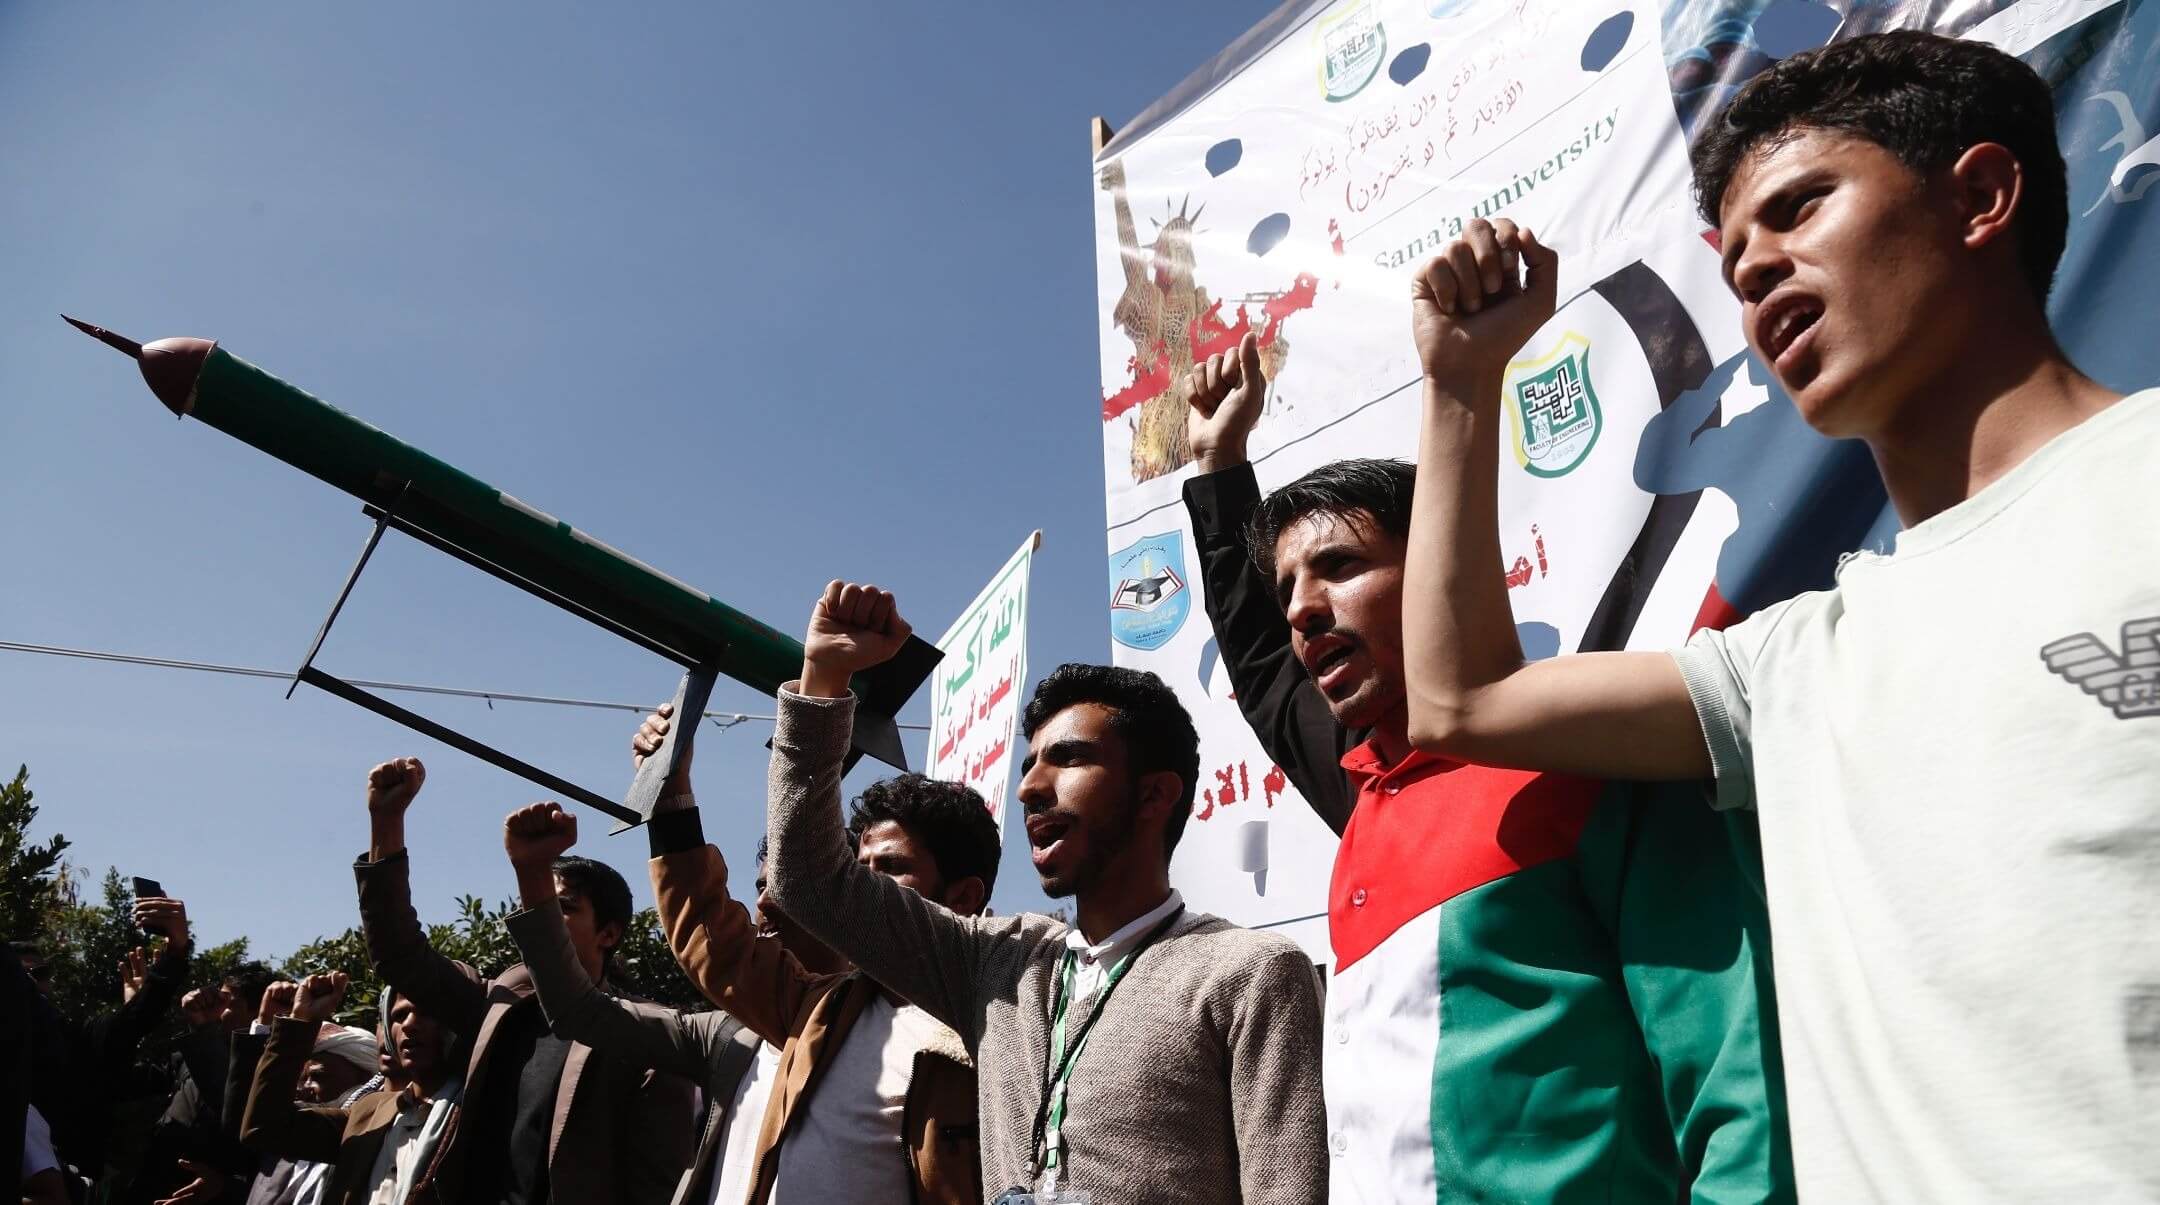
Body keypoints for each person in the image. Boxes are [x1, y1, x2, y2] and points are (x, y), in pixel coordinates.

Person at [1395, 30, 2158, 1200]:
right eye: (1737, 254)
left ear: (1982, 196)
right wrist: (1461, 386)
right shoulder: (1790, 665)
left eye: (1801, 208)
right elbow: (1462, 699)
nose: (1754, 271)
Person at [1179, 339, 1790, 1202]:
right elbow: (1263, 665)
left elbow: (1741, 1089)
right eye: (1288, 590)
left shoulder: (1586, 757)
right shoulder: (1368, 796)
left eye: (1341, 566)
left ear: (1440, 567)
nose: (1304, 611)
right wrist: (1215, 466)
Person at [760, 580, 1328, 1204]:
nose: (1031, 787)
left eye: (1070, 759)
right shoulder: (997, 962)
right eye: (1029, 764)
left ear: (1154, 795)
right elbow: (809, 880)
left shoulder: (1250, 975)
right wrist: (824, 676)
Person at [624, 705, 993, 1205]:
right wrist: (670, 799)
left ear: (964, 897)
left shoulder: (1001, 1031)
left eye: (888, 868)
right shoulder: (820, 1010)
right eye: (856, 867)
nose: (859, 886)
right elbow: (712, 937)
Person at [355, 758, 697, 1205]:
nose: (541, 914)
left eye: (564, 907)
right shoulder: (498, 1005)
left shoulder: (644, 1038)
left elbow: (656, 1184)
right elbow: (399, 955)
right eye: (532, 896)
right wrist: (386, 822)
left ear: (609, 933)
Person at [239, 973, 457, 1205]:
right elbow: (265, 1127)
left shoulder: (479, 1109)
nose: (409, 1025)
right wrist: (301, 1021)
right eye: (398, 1015)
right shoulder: (369, 1113)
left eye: (427, 1012)